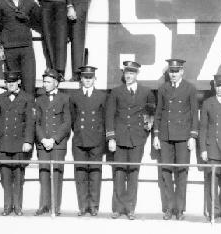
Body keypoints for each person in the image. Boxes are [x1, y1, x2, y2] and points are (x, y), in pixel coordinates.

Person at [105, 61, 156, 220]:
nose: (128, 76)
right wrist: (111, 138)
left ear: (137, 74)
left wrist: (143, 135)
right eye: (126, 73)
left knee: (133, 173)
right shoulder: (115, 92)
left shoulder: (146, 92)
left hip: (136, 140)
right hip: (119, 140)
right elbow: (109, 115)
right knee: (119, 172)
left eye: (132, 73)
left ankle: (130, 208)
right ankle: (118, 208)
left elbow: (150, 117)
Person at [153, 59, 199, 220]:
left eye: (176, 71)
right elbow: (158, 113)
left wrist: (193, 136)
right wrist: (156, 135)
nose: (173, 74)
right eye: (171, 72)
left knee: (181, 172)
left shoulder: (190, 89)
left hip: (183, 137)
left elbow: (194, 114)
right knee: (166, 172)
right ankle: (169, 208)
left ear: (182, 72)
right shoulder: (163, 89)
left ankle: (179, 209)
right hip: (165, 137)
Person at [0, 71, 35, 216]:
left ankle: (17, 207)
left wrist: (28, 141)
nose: (10, 84)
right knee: (5, 177)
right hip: (3, 143)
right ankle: (7, 206)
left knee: (18, 177)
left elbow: (30, 121)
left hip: (19, 144)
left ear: (19, 82)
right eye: (8, 82)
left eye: (13, 82)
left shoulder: (27, 98)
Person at [0, 0, 41, 94]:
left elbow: (40, 21)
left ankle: (29, 109)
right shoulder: (1, 4)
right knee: (13, 84)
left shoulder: (29, 2)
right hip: (10, 50)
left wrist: (27, 19)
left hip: (26, 49)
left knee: (29, 83)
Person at [69, 66, 107, 216]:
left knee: (95, 174)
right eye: (85, 78)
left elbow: (104, 118)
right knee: (81, 174)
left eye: (90, 78)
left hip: (96, 140)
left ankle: (94, 206)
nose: (87, 80)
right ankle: (83, 206)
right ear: (81, 79)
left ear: (94, 79)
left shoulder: (102, 96)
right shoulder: (74, 96)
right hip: (79, 140)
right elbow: (73, 118)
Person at [34, 69, 71, 216]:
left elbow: (67, 122)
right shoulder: (39, 99)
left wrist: (54, 139)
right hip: (43, 144)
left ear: (56, 83)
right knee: (43, 174)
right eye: (44, 81)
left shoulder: (65, 98)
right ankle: (44, 205)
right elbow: (36, 122)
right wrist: (43, 139)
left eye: (48, 82)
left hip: (57, 143)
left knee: (56, 174)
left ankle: (55, 206)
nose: (45, 84)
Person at [199, 74, 221, 223]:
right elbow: (203, 128)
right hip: (211, 148)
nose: (219, 88)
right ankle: (213, 210)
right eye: (217, 85)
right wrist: (203, 149)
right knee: (212, 182)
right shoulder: (208, 103)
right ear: (214, 86)